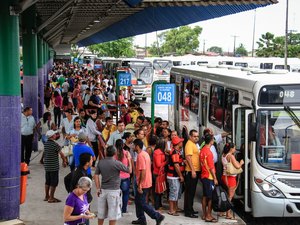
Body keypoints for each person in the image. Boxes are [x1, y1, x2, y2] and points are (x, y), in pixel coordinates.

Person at [94, 146, 131, 225]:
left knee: (101, 213)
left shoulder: (101, 162)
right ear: (115, 153)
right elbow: (129, 170)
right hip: (114, 191)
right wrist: (129, 159)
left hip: (103, 190)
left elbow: (96, 175)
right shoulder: (116, 163)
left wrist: (98, 188)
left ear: (106, 153)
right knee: (113, 215)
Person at [132, 139, 165, 225]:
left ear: (137, 146)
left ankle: (157, 216)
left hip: (143, 183)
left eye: (133, 145)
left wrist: (140, 185)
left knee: (142, 203)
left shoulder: (140, 156)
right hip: (146, 181)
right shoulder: (145, 154)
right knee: (138, 201)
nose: (132, 147)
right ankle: (141, 218)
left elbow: (143, 171)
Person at [221, 143, 244, 219]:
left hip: (225, 176)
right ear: (231, 149)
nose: (235, 149)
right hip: (230, 178)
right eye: (234, 148)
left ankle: (222, 211)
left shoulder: (223, 155)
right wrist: (241, 163)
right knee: (230, 196)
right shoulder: (231, 156)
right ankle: (228, 214)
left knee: (227, 195)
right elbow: (237, 166)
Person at [44, 130, 67, 203]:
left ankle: (47, 196)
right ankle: (51, 197)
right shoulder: (55, 145)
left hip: (47, 166)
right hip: (54, 166)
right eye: (54, 134)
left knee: (48, 181)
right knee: (54, 182)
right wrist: (64, 161)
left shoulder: (46, 144)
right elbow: (62, 154)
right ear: (52, 136)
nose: (56, 135)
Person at [199, 134, 218, 222]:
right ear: (211, 141)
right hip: (209, 177)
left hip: (203, 175)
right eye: (213, 140)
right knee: (210, 197)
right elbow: (211, 167)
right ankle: (208, 215)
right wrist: (215, 178)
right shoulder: (209, 153)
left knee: (204, 196)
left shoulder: (202, 150)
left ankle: (204, 214)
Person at [184, 129, 200, 218]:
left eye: (197, 136)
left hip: (194, 170)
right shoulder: (189, 144)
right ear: (190, 136)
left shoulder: (193, 144)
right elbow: (188, 158)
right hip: (191, 171)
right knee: (190, 192)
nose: (196, 138)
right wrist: (193, 170)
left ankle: (190, 209)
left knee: (192, 192)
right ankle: (188, 211)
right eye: (194, 136)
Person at [167, 136, 185, 216]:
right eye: (181, 142)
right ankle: (171, 210)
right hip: (173, 176)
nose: (182, 143)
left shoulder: (177, 152)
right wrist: (181, 176)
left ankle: (175, 208)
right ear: (178, 144)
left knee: (176, 193)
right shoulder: (174, 153)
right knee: (173, 193)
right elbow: (176, 166)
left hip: (175, 176)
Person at [114, 139, 132, 214]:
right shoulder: (127, 153)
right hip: (125, 177)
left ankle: (117, 209)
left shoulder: (113, 154)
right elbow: (130, 167)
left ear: (115, 145)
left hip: (116, 177)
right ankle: (124, 209)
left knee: (116, 194)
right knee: (125, 194)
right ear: (123, 145)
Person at [152, 138, 167, 210]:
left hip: (160, 173)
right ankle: (157, 206)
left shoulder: (160, 151)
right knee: (157, 191)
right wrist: (166, 162)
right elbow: (158, 164)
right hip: (157, 173)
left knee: (160, 190)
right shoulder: (157, 152)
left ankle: (159, 205)